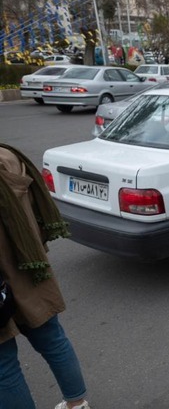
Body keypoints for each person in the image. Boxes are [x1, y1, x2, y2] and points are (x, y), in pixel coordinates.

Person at [0, 144, 91, 409]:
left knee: (3, 365)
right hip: (29, 268)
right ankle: (77, 404)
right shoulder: (9, 154)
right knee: (52, 339)